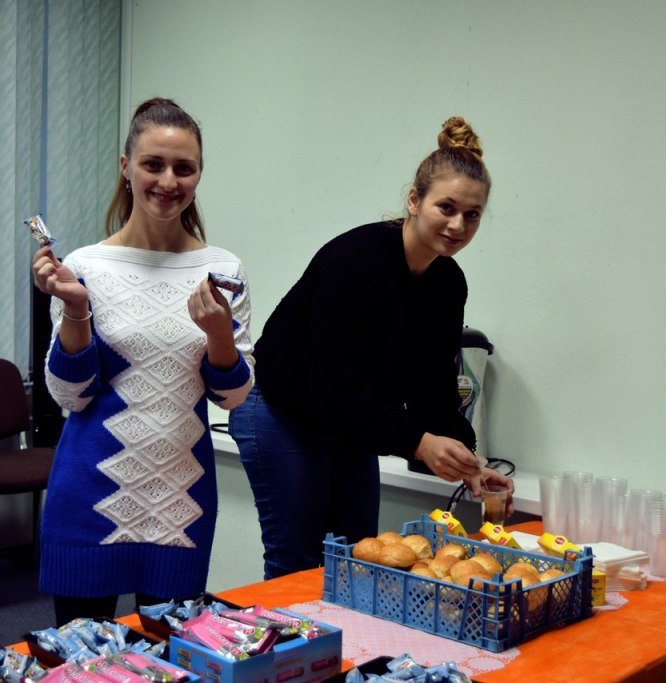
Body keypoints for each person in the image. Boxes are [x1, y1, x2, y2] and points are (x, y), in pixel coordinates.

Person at [229, 116, 515, 580]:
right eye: (446, 207)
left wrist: (469, 463)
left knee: (362, 557)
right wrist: (419, 442)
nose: (458, 225)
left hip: (349, 417)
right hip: (283, 410)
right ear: (414, 200)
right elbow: (333, 389)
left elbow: (434, 387)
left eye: (472, 214)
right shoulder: (355, 263)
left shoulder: (448, 281)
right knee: (297, 562)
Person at [32, 97, 253, 625]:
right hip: (89, 496)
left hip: (181, 499)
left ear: (199, 174)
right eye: (153, 164)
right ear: (126, 166)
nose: (168, 181)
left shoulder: (223, 269)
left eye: (184, 168)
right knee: (83, 660)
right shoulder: (84, 266)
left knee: (171, 655)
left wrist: (218, 334)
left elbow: (232, 396)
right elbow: (70, 395)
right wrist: (77, 310)